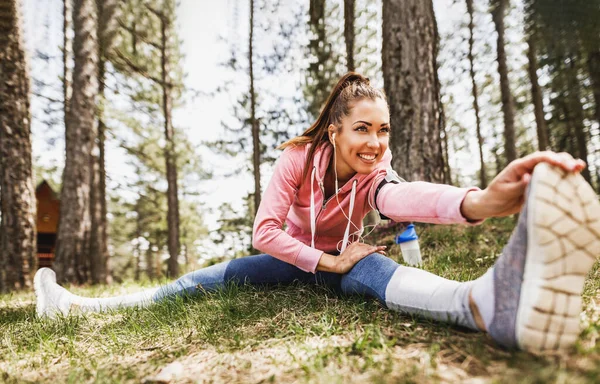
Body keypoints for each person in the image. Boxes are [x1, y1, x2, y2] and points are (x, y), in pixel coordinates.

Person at [35, 72, 600, 352]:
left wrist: (479, 202)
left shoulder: (375, 175)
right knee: (196, 283)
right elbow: (265, 232)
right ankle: (79, 308)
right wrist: (323, 263)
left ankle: (485, 304)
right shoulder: (298, 159)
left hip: (338, 263)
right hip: (289, 261)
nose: (376, 142)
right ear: (336, 131)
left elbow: (403, 199)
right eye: (363, 129)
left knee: (369, 269)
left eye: (383, 130)